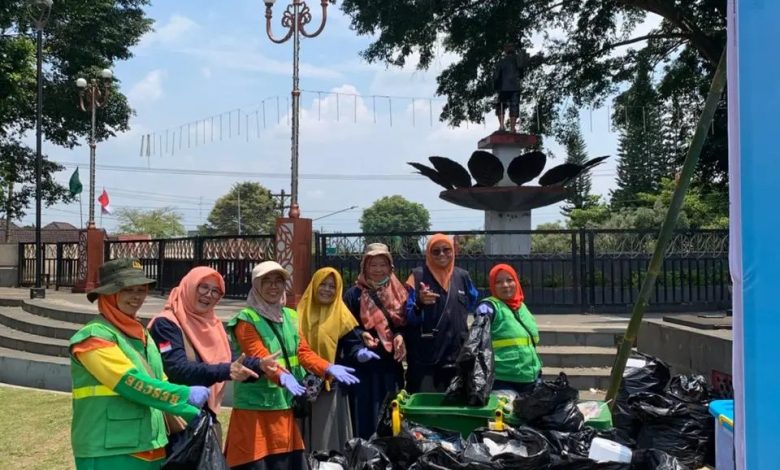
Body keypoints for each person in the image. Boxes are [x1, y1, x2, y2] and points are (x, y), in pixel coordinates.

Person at [69, 258, 210, 470]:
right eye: (127, 290)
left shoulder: (142, 334)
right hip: (109, 449)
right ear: (108, 293)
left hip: (151, 443)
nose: (136, 297)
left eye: (141, 290)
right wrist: (184, 396)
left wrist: (188, 411)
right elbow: (129, 382)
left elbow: (159, 379)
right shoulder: (93, 337)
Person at [224, 261, 359, 470]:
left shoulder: (290, 316)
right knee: (255, 462)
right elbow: (260, 355)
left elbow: (303, 352)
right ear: (256, 285)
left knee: (285, 462)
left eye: (278, 281)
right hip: (255, 407)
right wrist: (282, 376)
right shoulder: (246, 320)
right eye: (266, 281)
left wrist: (326, 367)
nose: (273, 286)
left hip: (284, 403)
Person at [148, 266, 279, 446]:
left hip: (204, 418)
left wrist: (259, 364)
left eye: (216, 291)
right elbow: (177, 369)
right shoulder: (166, 324)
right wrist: (226, 371)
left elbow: (230, 359)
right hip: (175, 421)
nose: (209, 295)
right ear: (190, 286)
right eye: (203, 287)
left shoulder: (213, 324)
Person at [298, 267, 380, 451]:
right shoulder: (298, 312)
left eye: (332, 286)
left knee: (326, 436)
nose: (327, 290)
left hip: (330, 386)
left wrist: (359, 353)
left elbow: (351, 342)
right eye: (323, 284)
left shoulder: (341, 314)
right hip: (301, 384)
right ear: (314, 285)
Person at [343, 242, 411, 439]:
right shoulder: (353, 295)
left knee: (392, 414)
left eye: (383, 264)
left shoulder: (399, 292)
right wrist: (360, 338)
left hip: (391, 366)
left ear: (390, 267)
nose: (378, 269)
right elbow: (346, 327)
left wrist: (400, 335)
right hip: (364, 368)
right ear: (365, 267)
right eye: (373, 265)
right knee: (366, 416)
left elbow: (406, 323)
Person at [405, 234, 479, 393]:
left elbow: (472, 302)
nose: (442, 254)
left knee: (456, 403)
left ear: (453, 251)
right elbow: (409, 318)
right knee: (426, 404)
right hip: (427, 358)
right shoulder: (417, 276)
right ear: (428, 253)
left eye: (446, 250)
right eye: (436, 251)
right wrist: (420, 303)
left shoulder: (462, 276)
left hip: (457, 355)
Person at [475, 263, 542, 394]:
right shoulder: (490, 306)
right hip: (502, 381)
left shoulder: (522, 307)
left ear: (516, 282)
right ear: (492, 286)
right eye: (498, 282)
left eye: (509, 280)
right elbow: (482, 316)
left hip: (531, 378)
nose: (505, 285)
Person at [493, 42, 530, 133]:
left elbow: (496, 77)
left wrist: (496, 86)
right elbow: (522, 74)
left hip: (504, 87)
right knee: (514, 106)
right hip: (515, 87)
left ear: (505, 50)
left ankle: (502, 126)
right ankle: (512, 128)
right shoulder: (518, 61)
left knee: (500, 106)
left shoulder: (501, 62)